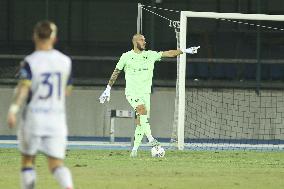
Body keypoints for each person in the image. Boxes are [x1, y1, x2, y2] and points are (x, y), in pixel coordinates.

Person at [99, 33, 200, 157]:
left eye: (145, 40)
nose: (144, 42)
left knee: (142, 121)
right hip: (132, 92)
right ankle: (152, 140)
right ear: (135, 42)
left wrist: (184, 50)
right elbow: (116, 71)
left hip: (146, 94)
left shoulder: (150, 55)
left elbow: (168, 53)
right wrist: (108, 88)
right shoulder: (126, 56)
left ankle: (134, 151)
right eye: (142, 40)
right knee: (141, 111)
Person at [7, 20, 74, 189]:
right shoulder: (65, 61)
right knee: (56, 164)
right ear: (54, 38)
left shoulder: (30, 61)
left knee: (28, 161)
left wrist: (13, 110)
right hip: (56, 120)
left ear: (34, 36)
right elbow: (67, 91)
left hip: (34, 118)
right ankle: (68, 187)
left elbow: (23, 89)